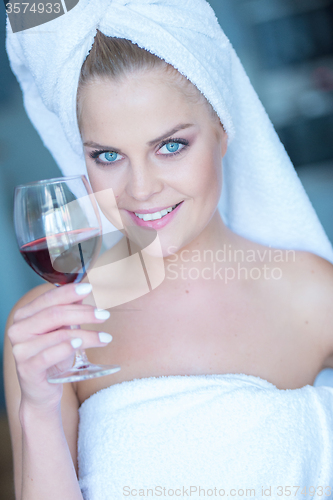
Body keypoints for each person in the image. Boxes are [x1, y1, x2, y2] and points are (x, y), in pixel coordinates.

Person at [4, 2, 333, 499]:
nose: (140, 189)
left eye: (171, 146)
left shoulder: (315, 296)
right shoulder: (51, 329)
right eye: (108, 156)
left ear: (223, 132)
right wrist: (39, 408)